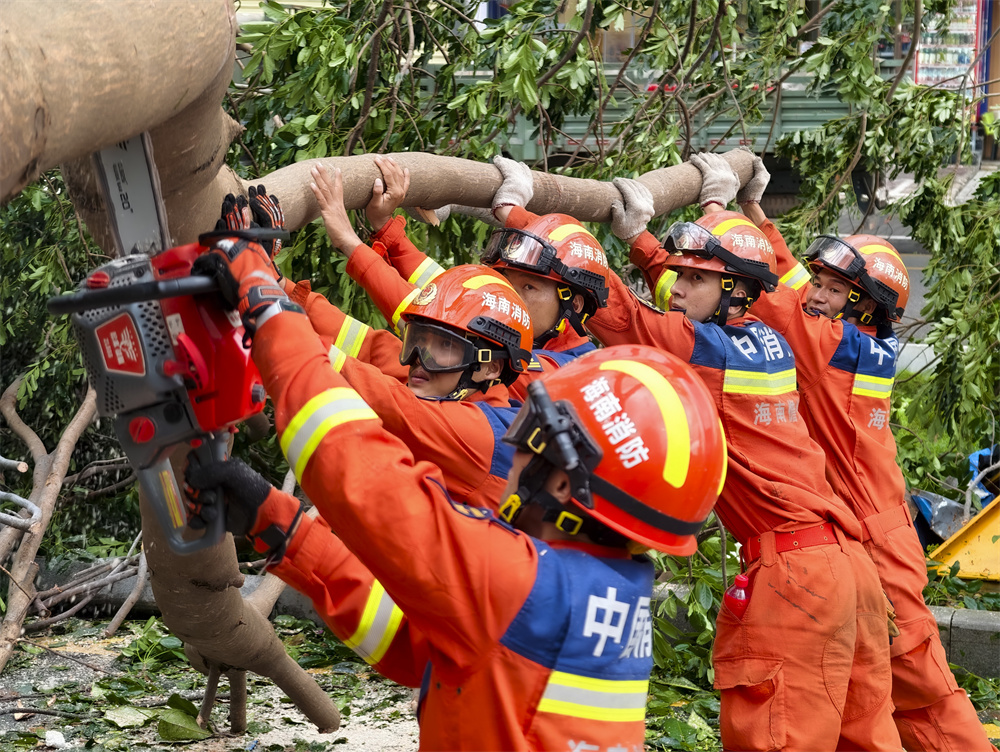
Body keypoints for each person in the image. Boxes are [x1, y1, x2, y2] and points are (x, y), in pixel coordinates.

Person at [184, 223, 729, 749]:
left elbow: (356, 469)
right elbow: (417, 647)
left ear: (563, 482)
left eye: (531, 436)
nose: (514, 443)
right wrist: (284, 532)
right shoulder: (600, 585)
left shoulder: (522, 582)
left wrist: (270, 311)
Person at [679, 154, 995, 752]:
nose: (817, 296)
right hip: (869, 532)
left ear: (865, 307)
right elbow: (784, 288)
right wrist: (749, 209)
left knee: (920, 686)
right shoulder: (854, 347)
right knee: (867, 696)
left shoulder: (838, 348)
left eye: (832, 289)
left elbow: (775, 297)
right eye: (819, 285)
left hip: (872, 538)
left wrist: (716, 210)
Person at [587, 156, 904, 750]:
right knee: (864, 738)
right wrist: (720, 212)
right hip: (850, 564)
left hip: (796, 575)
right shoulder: (770, 338)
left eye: (693, 280)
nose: (678, 289)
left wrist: (588, 237)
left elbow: (625, 316)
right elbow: (746, 282)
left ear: (735, 293)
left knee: (776, 734)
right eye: (678, 276)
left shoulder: (722, 349)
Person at [219, 184, 530, 511]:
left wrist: (265, 303)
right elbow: (367, 347)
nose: (418, 360)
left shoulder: (480, 434)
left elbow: (380, 394)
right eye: (417, 340)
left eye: (442, 346)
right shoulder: (445, 380)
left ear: (490, 366)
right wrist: (277, 284)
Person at [351, 156, 608, 378]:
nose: (509, 298)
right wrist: (385, 229)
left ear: (574, 305)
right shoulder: (544, 339)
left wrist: (349, 242)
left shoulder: (565, 371)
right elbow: (452, 294)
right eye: (506, 281)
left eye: (528, 287)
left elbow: (443, 314)